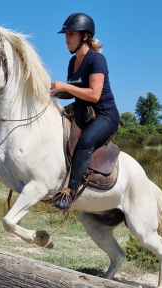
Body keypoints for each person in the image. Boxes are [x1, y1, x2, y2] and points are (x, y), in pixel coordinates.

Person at [50, 13, 120, 210]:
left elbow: (94, 95)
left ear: (85, 37)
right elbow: (73, 93)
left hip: (105, 115)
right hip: (83, 110)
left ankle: (68, 192)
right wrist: (51, 94)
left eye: (71, 34)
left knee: (86, 140)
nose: (66, 39)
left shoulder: (97, 60)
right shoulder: (73, 62)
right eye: (66, 35)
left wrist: (65, 86)